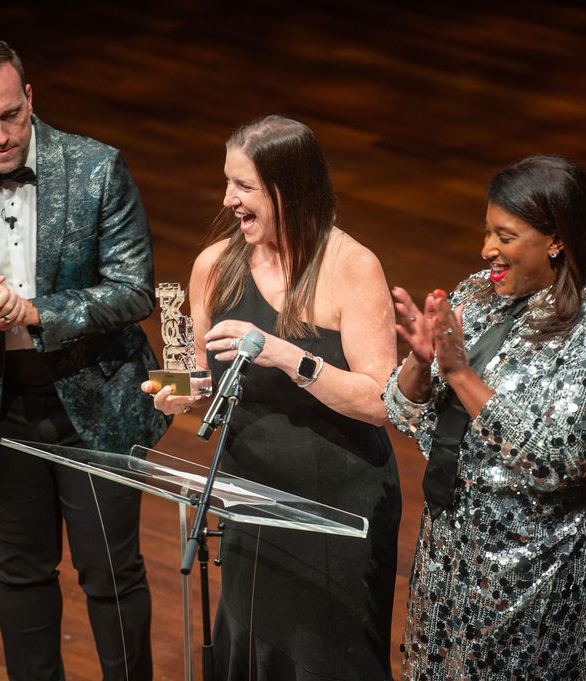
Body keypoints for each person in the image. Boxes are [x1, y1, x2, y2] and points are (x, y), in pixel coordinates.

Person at [0, 36, 169, 681]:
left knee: (110, 573)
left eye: (12, 115)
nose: (1, 136)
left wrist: (35, 311)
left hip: (95, 399)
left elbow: (133, 290)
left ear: (30, 96)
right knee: (21, 575)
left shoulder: (98, 167)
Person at [145, 115, 402, 681]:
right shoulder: (214, 265)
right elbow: (194, 376)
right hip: (247, 492)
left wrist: (288, 356)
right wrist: (173, 393)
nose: (228, 198)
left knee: (329, 656)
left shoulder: (352, 268)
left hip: (337, 501)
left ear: (288, 189)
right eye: (228, 182)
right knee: (254, 646)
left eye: (244, 186)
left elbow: (381, 402)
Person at [385, 155, 586, 680]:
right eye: (487, 232)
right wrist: (420, 361)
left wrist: (458, 372)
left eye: (504, 236)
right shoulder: (479, 294)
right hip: (456, 550)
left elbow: (554, 459)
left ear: (557, 239)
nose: (487, 251)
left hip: (546, 566)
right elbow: (406, 413)